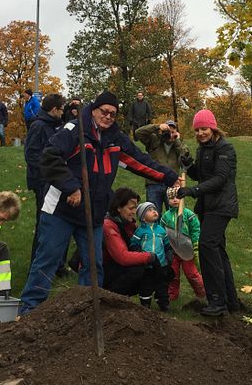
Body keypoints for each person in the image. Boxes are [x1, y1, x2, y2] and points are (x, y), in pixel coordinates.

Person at [18, 90, 179, 314]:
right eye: (104, 111)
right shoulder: (74, 130)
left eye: (113, 114)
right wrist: (71, 186)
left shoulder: (115, 138)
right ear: (93, 110)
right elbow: (49, 157)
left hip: (92, 212)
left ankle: (85, 311)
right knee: (47, 260)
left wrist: (169, 176)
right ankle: (29, 310)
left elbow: (139, 161)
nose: (108, 117)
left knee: (94, 265)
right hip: (61, 210)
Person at [177, 109, 240, 317]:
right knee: (218, 252)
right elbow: (203, 176)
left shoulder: (225, 148)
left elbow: (220, 178)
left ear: (212, 128)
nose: (200, 133)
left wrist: (193, 191)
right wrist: (190, 166)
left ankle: (217, 301)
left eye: (203, 129)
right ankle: (231, 301)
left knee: (207, 246)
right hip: (208, 206)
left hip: (221, 206)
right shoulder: (202, 149)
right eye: (196, 130)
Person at [24, 93, 65, 263]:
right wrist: (48, 172)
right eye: (61, 109)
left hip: (55, 181)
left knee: (59, 222)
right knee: (44, 224)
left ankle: (58, 263)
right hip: (43, 182)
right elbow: (31, 154)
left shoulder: (56, 125)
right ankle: (37, 262)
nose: (63, 113)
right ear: (54, 109)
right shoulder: (39, 126)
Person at [102, 188, 163, 297]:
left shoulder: (129, 224)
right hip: (103, 270)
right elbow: (122, 257)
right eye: (131, 208)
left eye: (135, 207)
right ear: (119, 208)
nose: (134, 212)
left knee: (148, 270)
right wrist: (149, 257)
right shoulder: (108, 225)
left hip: (114, 266)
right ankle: (110, 296)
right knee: (138, 269)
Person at [135, 120, 192, 215]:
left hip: (172, 184)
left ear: (177, 133)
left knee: (174, 215)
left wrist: (177, 140)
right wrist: (158, 127)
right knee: (152, 215)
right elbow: (138, 133)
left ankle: (172, 231)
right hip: (154, 183)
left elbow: (186, 156)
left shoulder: (178, 144)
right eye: (168, 131)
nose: (170, 134)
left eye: (173, 132)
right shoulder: (154, 140)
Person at [161, 190, 205, 302]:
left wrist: (195, 243)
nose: (175, 200)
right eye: (171, 198)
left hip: (187, 250)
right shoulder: (166, 217)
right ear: (168, 200)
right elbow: (162, 231)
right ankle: (172, 296)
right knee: (173, 275)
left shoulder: (188, 214)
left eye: (177, 197)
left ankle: (202, 293)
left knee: (192, 274)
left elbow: (196, 229)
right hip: (173, 251)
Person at [131, 201, 172, 311]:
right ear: (143, 218)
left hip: (161, 264)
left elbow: (167, 245)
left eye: (154, 209)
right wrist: (139, 253)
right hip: (147, 265)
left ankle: (164, 304)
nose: (154, 211)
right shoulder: (140, 231)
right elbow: (134, 244)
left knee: (162, 285)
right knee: (146, 285)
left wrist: (169, 256)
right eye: (149, 210)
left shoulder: (161, 230)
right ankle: (145, 305)